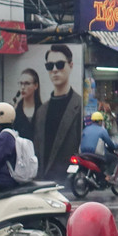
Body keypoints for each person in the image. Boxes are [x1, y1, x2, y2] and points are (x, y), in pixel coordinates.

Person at [38, 44, 83, 179]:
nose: (54, 70)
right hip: (43, 179)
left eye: (59, 64)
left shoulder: (79, 105)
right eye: (50, 66)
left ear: (71, 65)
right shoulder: (41, 111)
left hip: (67, 178)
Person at [13, 67, 45, 165]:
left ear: (36, 86)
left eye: (27, 83)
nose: (23, 87)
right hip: (19, 161)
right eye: (21, 83)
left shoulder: (43, 110)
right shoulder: (15, 111)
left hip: (38, 160)